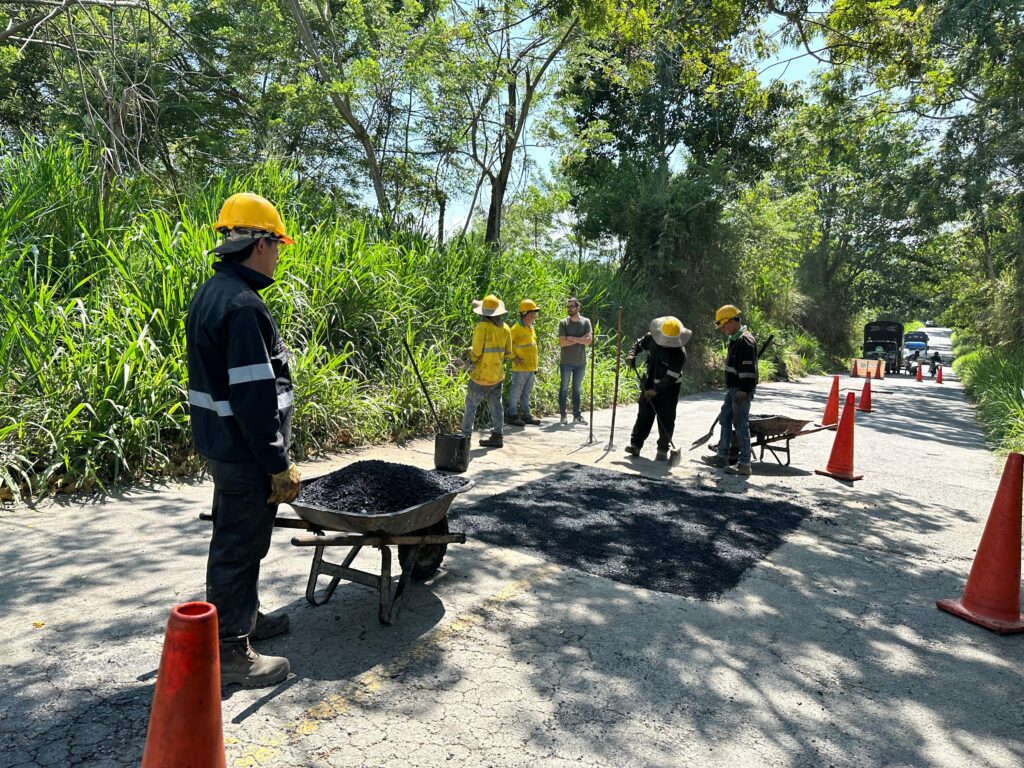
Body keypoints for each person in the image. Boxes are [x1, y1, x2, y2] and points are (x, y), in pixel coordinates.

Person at [186, 192, 300, 688]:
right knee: (238, 544)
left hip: (223, 445)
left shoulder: (214, 292)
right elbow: (255, 398)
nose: (278, 253)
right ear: (257, 244)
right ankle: (230, 650)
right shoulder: (244, 307)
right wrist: (277, 462)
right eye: (276, 244)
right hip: (246, 453)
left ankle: (244, 616)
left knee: (243, 541)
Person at [700, 304, 758, 476]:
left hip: (741, 391)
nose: (723, 328)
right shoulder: (735, 339)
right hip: (733, 389)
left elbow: (748, 369)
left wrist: (744, 390)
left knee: (740, 425)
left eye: (724, 325)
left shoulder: (745, 341)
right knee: (725, 419)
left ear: (733, 321)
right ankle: (722, 456)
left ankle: (744, 463)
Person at [624, 316, 691, 460]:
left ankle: (662, 450)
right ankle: (635, 445)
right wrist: (631, 355)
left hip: (669, 389)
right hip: (648, 382)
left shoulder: (679, 353)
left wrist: (655, 391)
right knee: (643, 415)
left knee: (666, 418)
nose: (667, 344)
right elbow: (637, 345)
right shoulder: (651, 338)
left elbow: (670, 377)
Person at [461, 294, 513, 447]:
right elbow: (508, 352)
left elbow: (476, 353)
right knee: (496, 405)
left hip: (481, 376)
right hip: (497, 375)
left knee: (471, 405)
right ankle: (498, 435)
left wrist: (469, 353)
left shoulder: (481, 327)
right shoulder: (506, 328)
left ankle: (465, 438)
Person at [557, 297, 593, 424]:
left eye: (572, 306)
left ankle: (577, 416)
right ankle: (563, 415)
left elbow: (589, 341)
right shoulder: (563, 323)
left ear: (578, 307)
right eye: (568, 307)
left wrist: (571, 338)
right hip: (566, 362)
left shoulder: (586, 322)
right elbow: (562, 343)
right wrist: (580, 339)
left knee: (577, 390)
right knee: (564, 389)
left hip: (580, 363)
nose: (569, 309)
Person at [508, 299, 542, 427]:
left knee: (526, 393)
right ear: (527, 314)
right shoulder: (516, 328)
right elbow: (507, 345)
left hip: (531, 367)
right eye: (534, 312)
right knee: (516, 392)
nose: (535, 315)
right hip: (520, 368)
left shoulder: (530, 327)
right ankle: (513, 415)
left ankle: (526, 415)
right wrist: (513, 358)